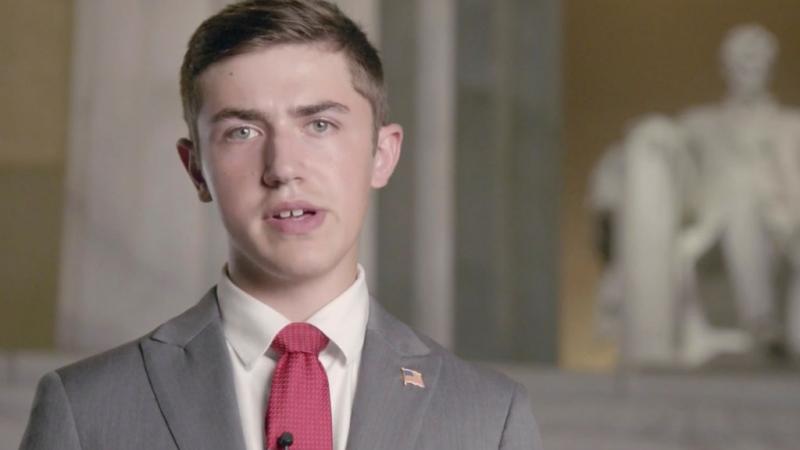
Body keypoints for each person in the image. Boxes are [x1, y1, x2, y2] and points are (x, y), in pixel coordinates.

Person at [19, 1, 543, 449]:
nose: (284, 167)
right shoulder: (84, 410)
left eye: (320, 124)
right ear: (196, 169)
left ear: (382, 155)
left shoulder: (488, 417)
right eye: (242, 131)